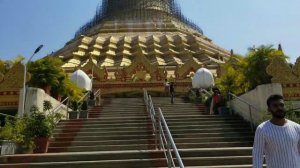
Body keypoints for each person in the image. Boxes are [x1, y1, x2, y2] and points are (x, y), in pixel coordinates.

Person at [252, 94, 300, 168]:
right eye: (275, 106)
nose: (279, 108)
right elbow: (258, 155)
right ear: (269, 109)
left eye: (281, 105)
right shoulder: (262, 129)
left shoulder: (296, 127)